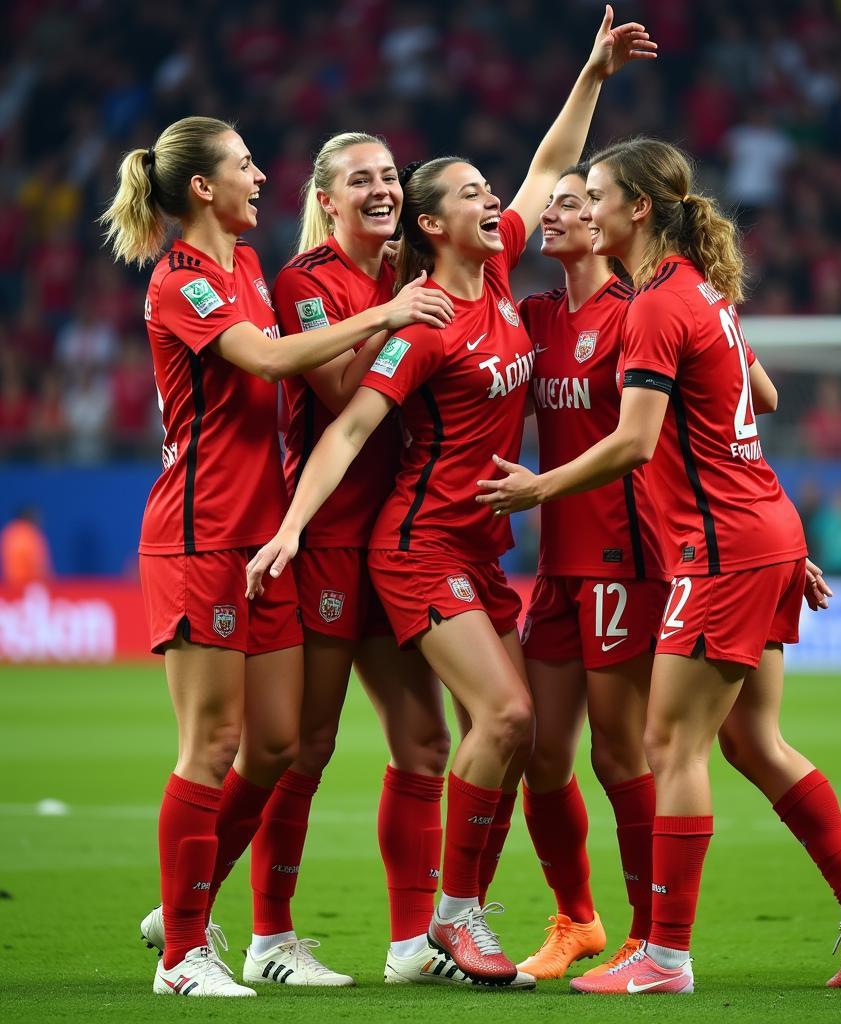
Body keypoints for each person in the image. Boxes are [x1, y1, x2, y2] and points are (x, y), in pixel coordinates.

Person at [246, 7, 658, 987]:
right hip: (416, 544)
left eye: (491, 192)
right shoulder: (424, 318)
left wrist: (593, 74)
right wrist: (291, 529)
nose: (498, 201)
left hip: (477, 551)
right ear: (434, 225)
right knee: (506, 718)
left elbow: (550, 156)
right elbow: (347, 426)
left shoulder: (504, 271)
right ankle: (451, 915)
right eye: (471, 194)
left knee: (488, 740)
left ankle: (438, 922)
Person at [476, 136, 841, 996]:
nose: (582, 205)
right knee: (754, 742)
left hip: (720, 551)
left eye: (594, 194)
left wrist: (539, 488)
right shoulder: (701, 293)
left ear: (637, 209)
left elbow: (634, 442)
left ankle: (664, 956)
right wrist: (779, 543)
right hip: (760, 533)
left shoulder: (649, 308)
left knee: (668, 747)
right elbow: (750, 408)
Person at [100, 115, 454, 997]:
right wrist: (386, 310)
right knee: (212, 743)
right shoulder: (183, 281)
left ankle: (188, 906)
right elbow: (264, 360)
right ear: (202, 190)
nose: (262, 177)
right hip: (200, 532)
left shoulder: (248, 267)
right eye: (246, 166)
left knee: (278, 744)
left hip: (265, 534)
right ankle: (184, 956)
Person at [250, 130, 467, 988]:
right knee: (308, 744)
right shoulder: (307, 280)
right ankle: (269, 939)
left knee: (423, 742)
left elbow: (517, 204)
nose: (379, 190)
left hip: (407, 538)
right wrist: (399, 315)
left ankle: (413, 944)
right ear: (329, 201)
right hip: (332, 534)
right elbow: (343, 393)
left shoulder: (418, 266)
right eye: (360, 181)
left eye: (389, 177)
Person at [511, 163, 668, 980]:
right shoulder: (533, 317)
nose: (556, 214)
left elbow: (728, 393)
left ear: (606, 221)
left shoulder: (635, 312)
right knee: (541, 752)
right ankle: (577, 918)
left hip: (623, 558)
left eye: (574, 203)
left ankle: (653, 933)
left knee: (619, 756)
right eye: (553, 205)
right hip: (557, 567)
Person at [0, 506, 52, 585]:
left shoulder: (9, 532)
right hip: (30, 584)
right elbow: (37, 564)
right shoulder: (29, 533)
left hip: (11, 584)